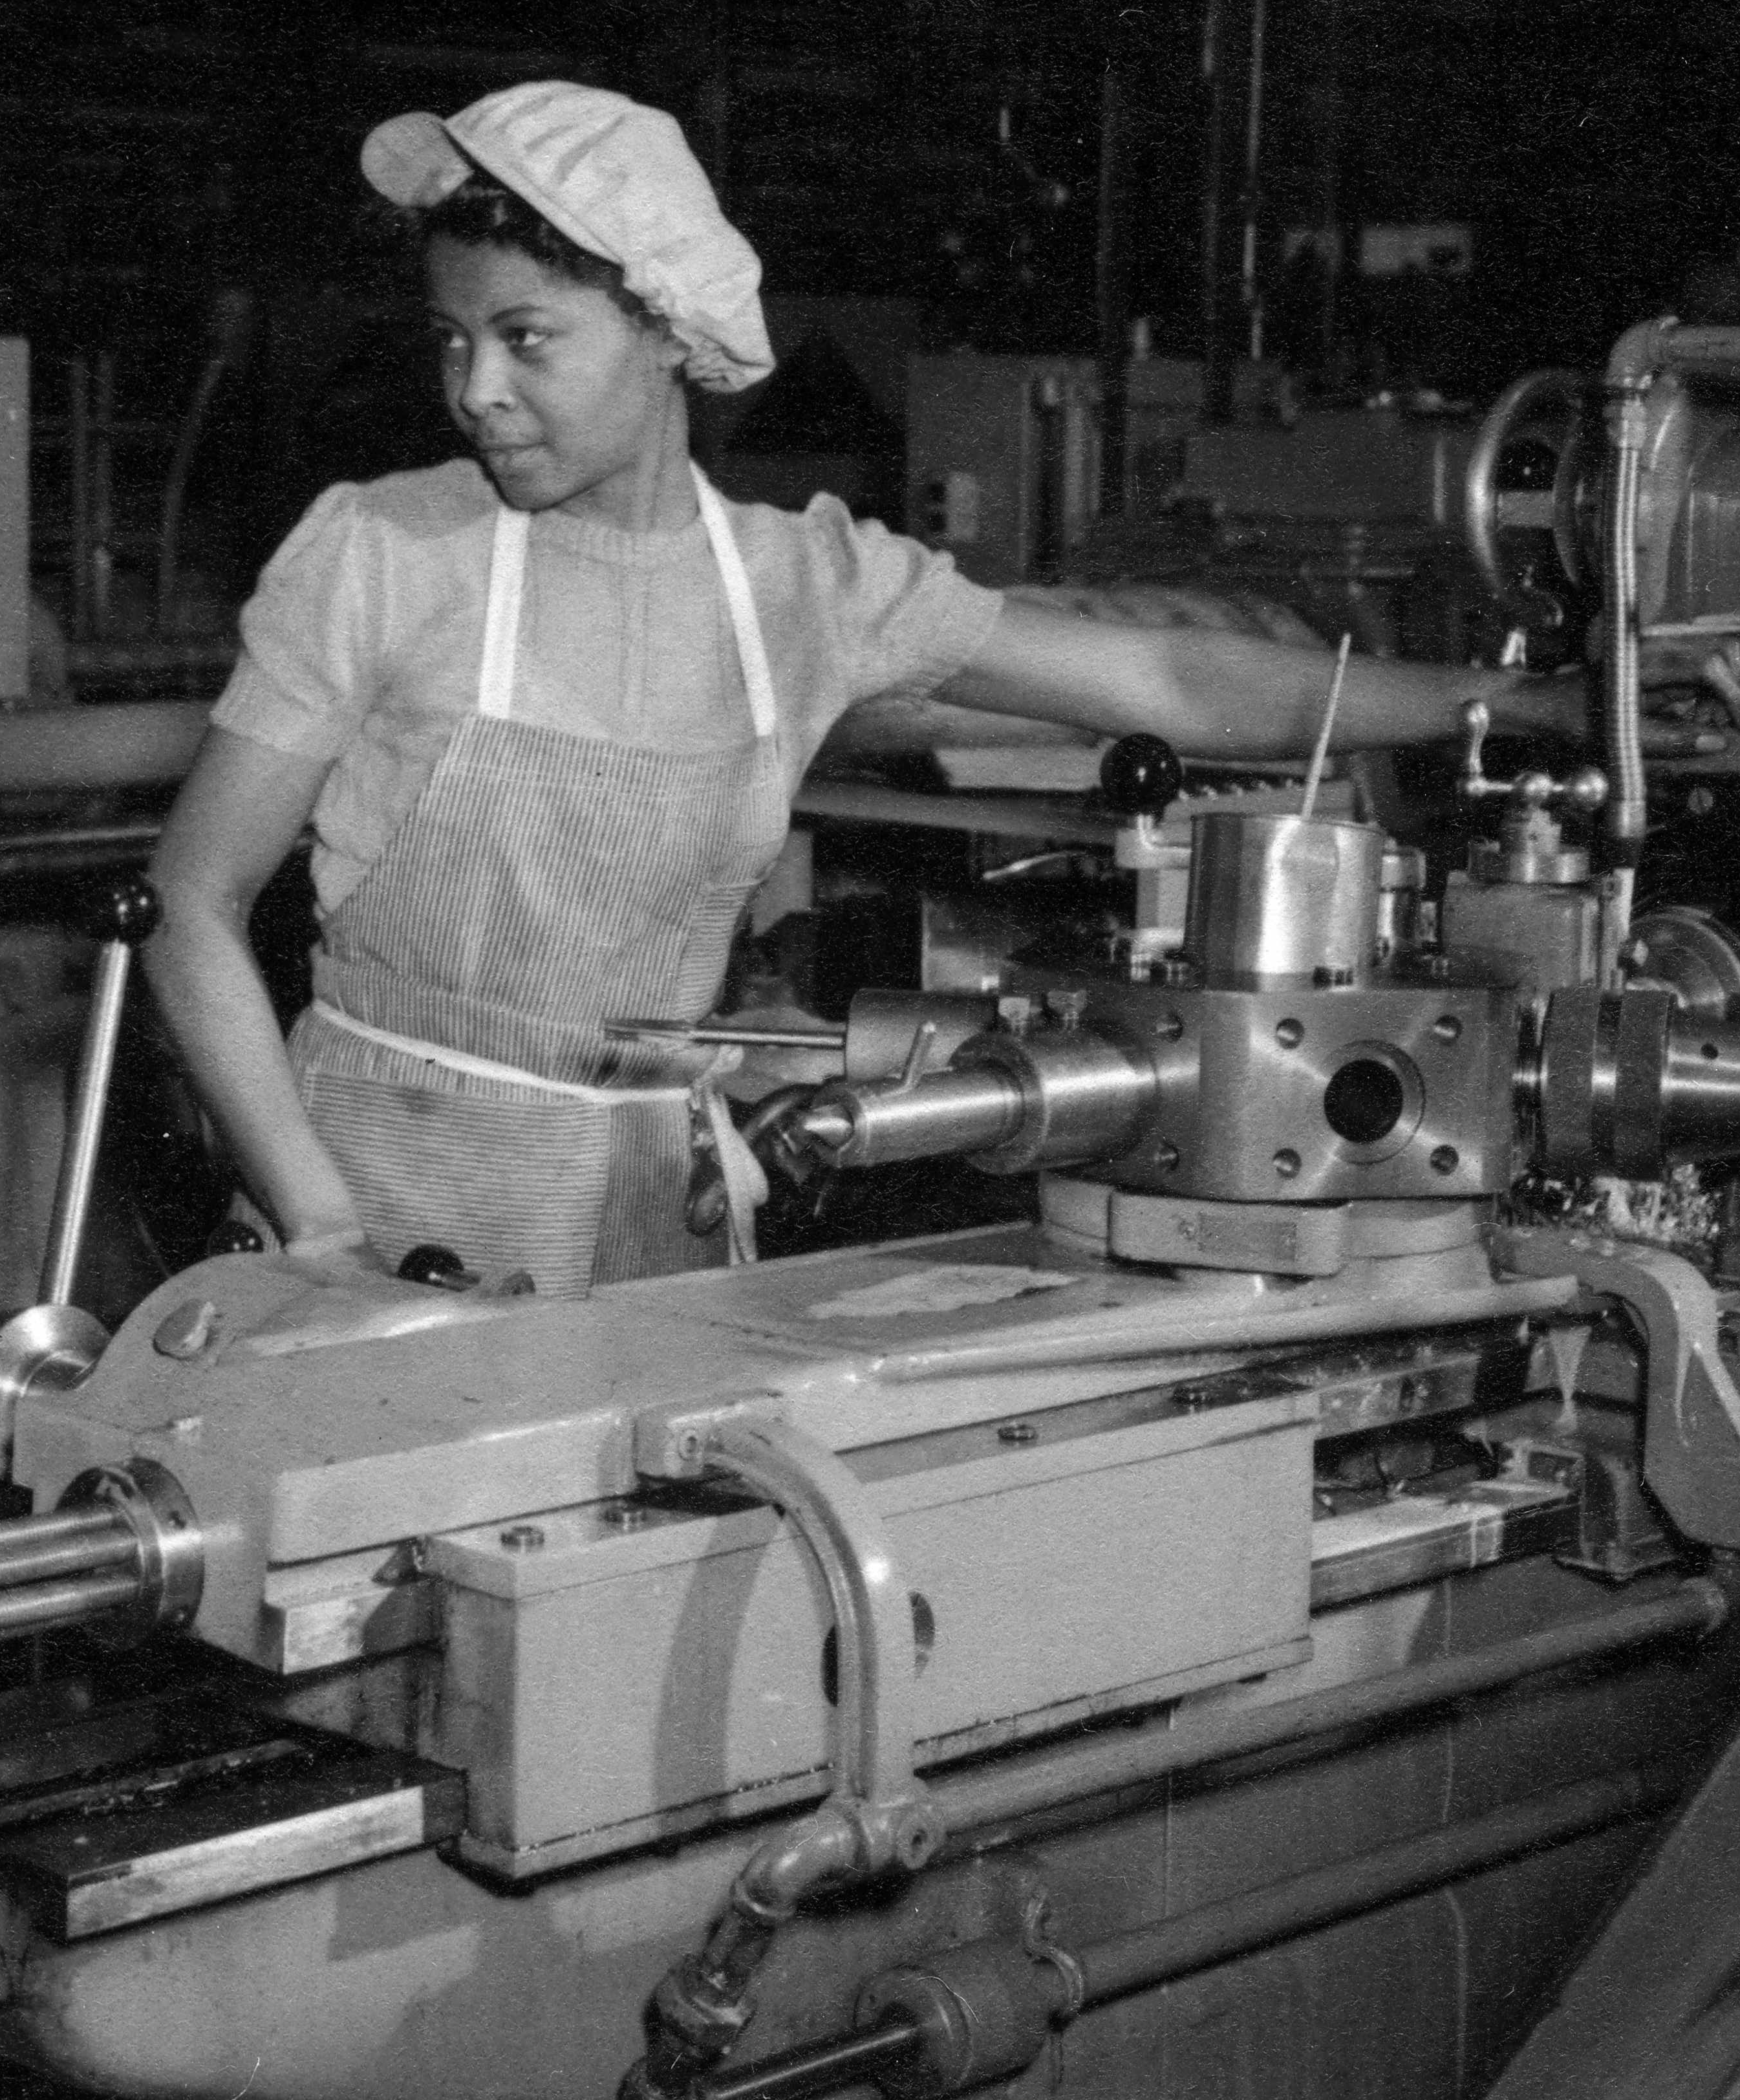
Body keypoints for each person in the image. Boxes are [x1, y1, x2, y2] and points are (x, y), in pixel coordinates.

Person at [144, 81, 1585, 1297]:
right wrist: (318, 1220)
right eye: (452, 340)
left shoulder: (802, 584)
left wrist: (1495, 705)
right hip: (380, 1187)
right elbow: (191, 906)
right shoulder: (387, 550)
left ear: (665, 326)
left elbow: (1164, 671)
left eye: (528, 339)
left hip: (656, 1211)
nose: (476, 390)